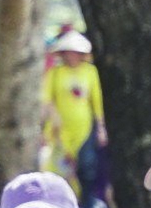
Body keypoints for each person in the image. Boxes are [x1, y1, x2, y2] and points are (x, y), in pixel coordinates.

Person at [42, 30, 105, 192]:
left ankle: (85, 202)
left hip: (84, 127)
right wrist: (53, 116)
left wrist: (100, 128)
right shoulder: (55, 72)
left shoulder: (90, 71)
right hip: (60, 128)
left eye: (75, 53)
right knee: (60, 166)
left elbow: (96, 101)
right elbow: (47, 98)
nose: (71, 56)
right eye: (68, 53)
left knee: (86, 164)